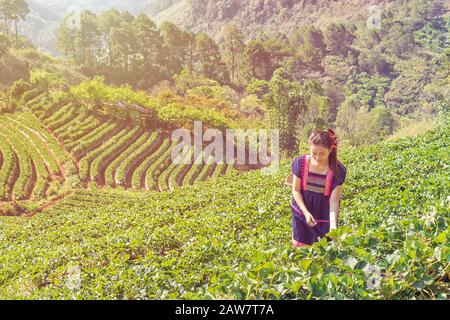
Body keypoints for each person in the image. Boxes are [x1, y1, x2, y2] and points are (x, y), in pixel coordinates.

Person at [291, 128, 347, 247]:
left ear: (330, 150)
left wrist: (333, 225)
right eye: (314, 153)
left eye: (322, 154)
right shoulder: (300, 163)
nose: (317, 157)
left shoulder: (338, 171)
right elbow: (295, 190)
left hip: (323, 215)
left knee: (324, 250)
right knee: (302, 248)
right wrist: (305, 213)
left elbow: (334, 201)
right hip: (302, 211)